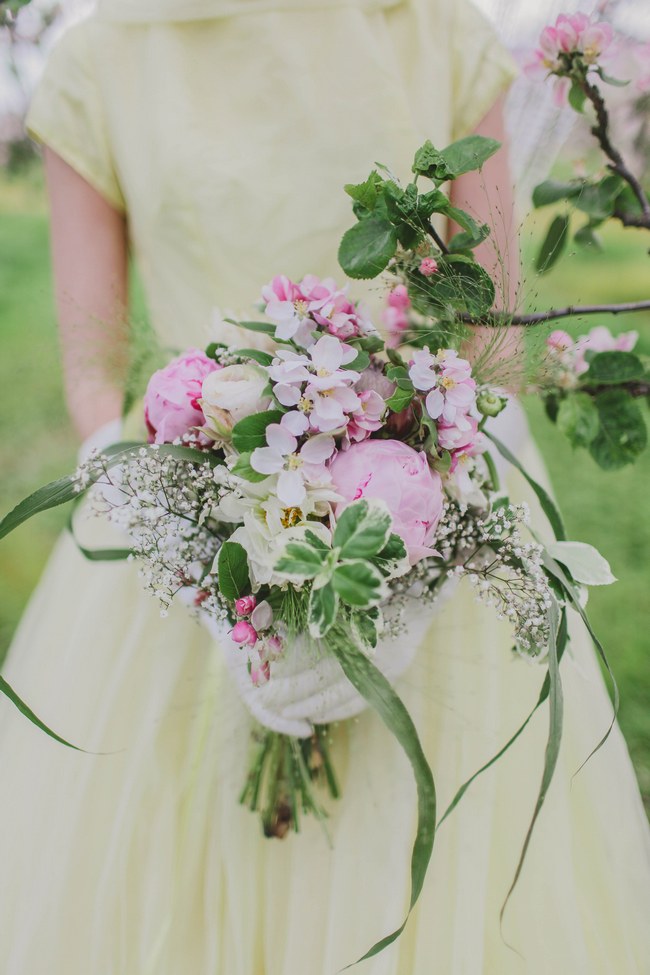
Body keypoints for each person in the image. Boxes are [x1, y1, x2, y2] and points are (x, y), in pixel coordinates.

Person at [1, 0, 650, 972]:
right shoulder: (102, 57)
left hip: (436, 499)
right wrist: (197, 555)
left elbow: (488, 329)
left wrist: (419, 545)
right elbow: (95, 367)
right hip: (197, 516)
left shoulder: (432, 30)